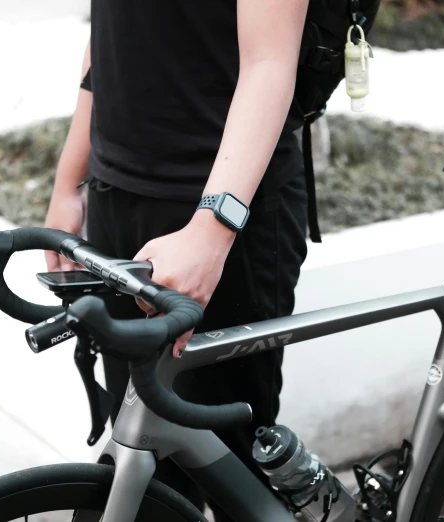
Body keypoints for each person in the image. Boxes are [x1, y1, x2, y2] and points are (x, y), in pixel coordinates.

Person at [44, 1, 311, 519]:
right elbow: (108, 32)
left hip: (220, 213)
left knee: (233, 471)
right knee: (146, 455)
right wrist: (69, 181)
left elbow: (271, 62)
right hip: (115, 195)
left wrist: (212, 230)